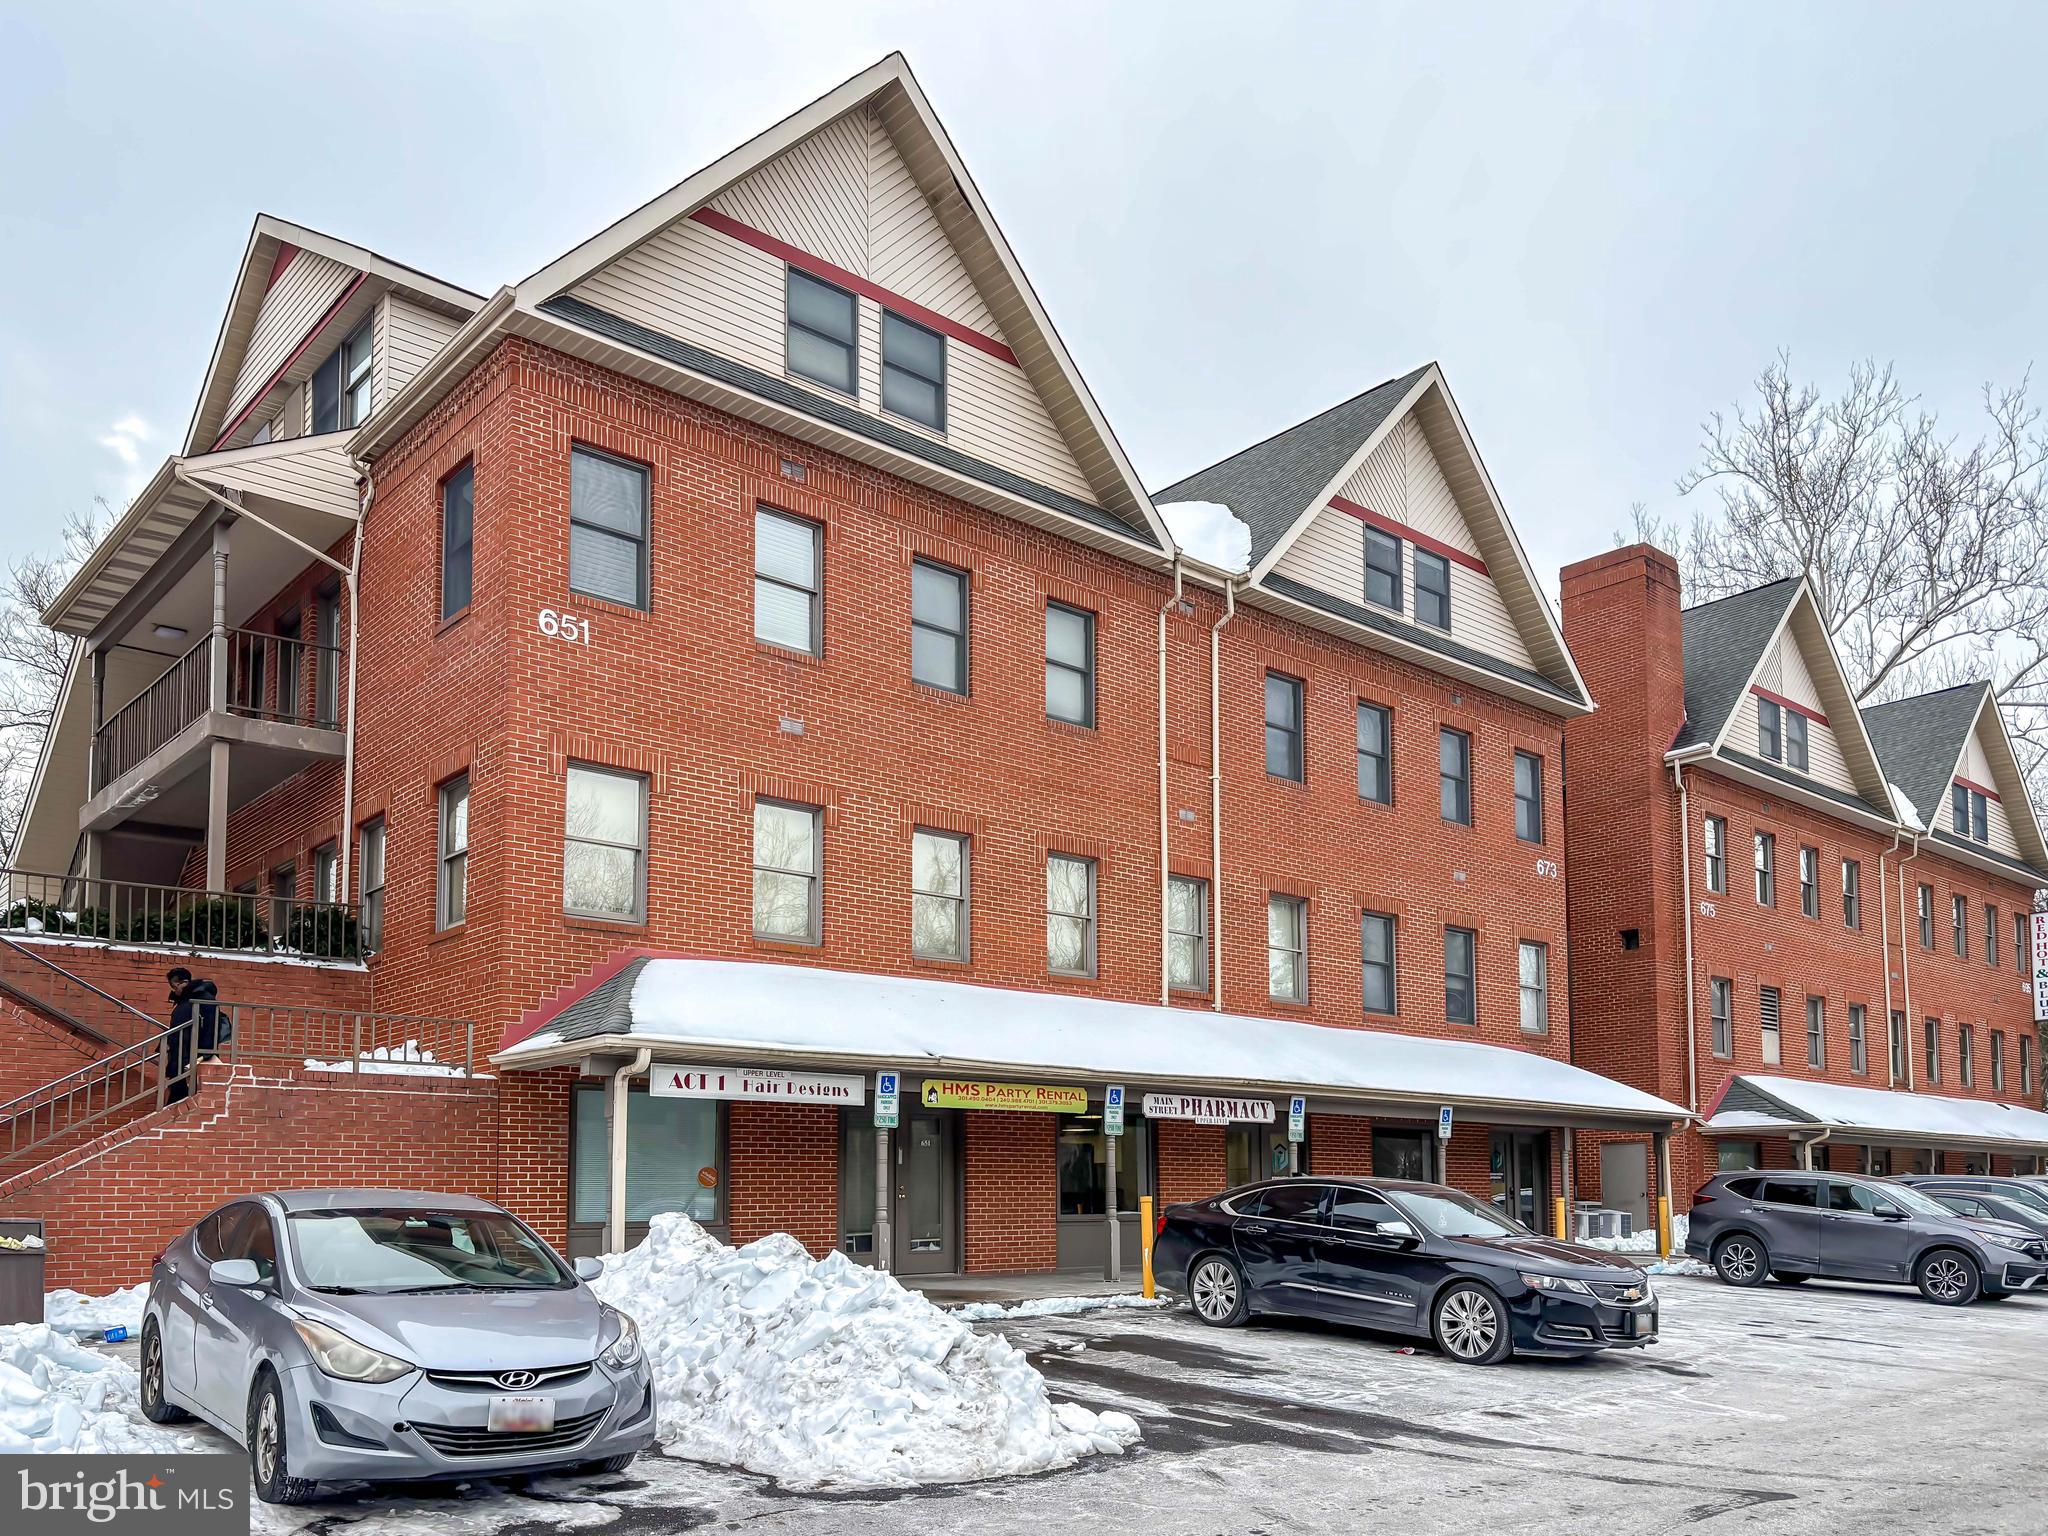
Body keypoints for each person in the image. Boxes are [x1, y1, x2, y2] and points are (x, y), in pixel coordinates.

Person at [162, 967, 220, 1103]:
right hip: (180, 1056)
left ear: (179, 983)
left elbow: (210, 1027)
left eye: (174, 986)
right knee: (177, 1098)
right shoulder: (185, 1000)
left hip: (191, 1057)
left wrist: (205, 1054)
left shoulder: (202, 998)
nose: (174, 990)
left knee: (182, 1100)